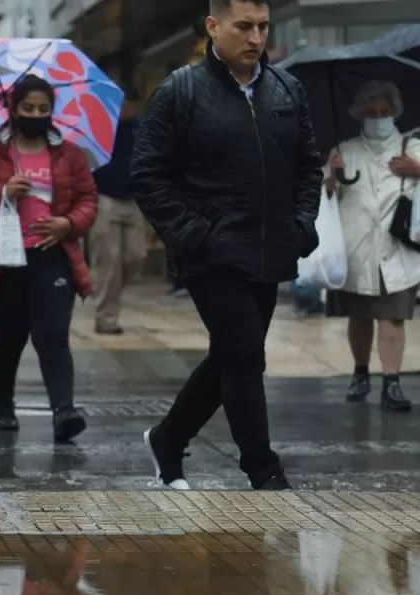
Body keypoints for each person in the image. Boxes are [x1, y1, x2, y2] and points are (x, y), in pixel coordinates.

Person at [131, 0, 323, 491]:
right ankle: (263, 468)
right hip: (211, 252)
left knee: (232, 356)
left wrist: (301, 225)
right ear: (213, 27)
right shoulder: (180, 91)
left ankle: (169, 438)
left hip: (271, 248)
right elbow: (149, 176)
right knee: (243, 355)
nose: (255, 37)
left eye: (263, 26)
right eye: (244, 26)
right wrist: (195, 235)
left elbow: (308, 168)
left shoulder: (286, 89)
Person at [0, 74, 98, 438]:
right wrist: (1, 190)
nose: (36, 114)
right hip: (5, 260)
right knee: (8, 337)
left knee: (53, 334)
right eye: (28, 108)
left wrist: (68, 223)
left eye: (44, 109)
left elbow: (88, 199)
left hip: (52, 258)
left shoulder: (69, 154)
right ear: (13, 109)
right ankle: (3, 405)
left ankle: (63, 411)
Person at [324, 81, 420, 412]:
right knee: (359, 315)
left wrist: (417, 169)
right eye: (371, 112)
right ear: (358, 115)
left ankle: (391, 383)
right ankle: (360, 372)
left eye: (384, 112)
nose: (377, 117)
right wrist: (332, 178)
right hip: (356, 248)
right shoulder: (343, 151)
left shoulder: (413, 147)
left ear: (395, 112)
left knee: (393, 317)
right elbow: (322, 201)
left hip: (398, 249)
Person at [90, 88, 147, 335]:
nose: (130, 110)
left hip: (134, 199)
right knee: (109, 260)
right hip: (104, 199)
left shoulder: (141, 128)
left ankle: (106, 291)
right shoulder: (99, 128)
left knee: (136, 256)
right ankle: (106, 318)